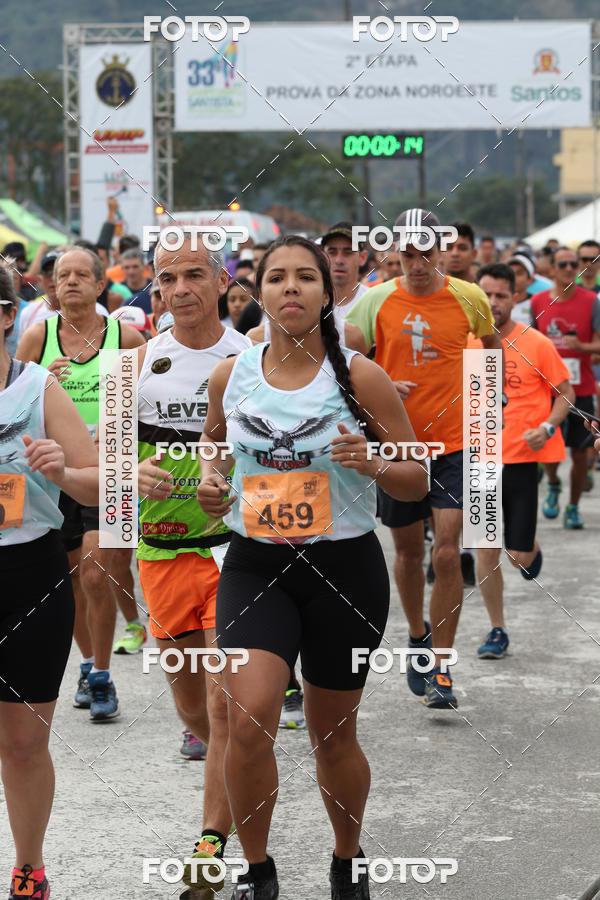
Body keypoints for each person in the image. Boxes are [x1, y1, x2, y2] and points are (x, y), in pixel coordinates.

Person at [196, 234, 427, 900]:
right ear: (257, 292)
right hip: (255, 563)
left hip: (344, 570)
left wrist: (374, 464)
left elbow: (416, 477)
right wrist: (212, 483)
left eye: (305, 277)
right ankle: (258, 869)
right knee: (248, 718)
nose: (290, 288)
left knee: (333, 735)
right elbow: (212, 447)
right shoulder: (231, 375)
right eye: (276, 278)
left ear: (327, 292)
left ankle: (347, 858)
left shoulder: (361, 377)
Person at [348, 208, 502, 709]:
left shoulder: (469, 296)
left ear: (442, 250)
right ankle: (417, 633)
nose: (416, 265)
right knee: (410, 554)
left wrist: (489, 394)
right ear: (395, 254)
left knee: (448, 549)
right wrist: (380, 385)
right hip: (399, 445)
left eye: (426, 254)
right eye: (407, 255)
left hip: (456, 442)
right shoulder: (375, 301)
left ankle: (441, 663)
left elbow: (492, 346)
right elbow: (348, 361)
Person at [136, 234, 251, 890]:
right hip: (163, 550)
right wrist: (132, 470)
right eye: (168, 278)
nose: (181, 289)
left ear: (222, 280)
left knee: (225, 708)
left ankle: (210, 845)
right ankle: (228, 770)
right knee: (193, 707)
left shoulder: (252, 358)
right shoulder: (140, 361)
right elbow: (102, 456)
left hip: (237, 552)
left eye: (194, 275)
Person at [0, 267, 99, 900]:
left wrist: (62, 471)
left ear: (7, 316)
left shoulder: (36, 389)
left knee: (24, 742)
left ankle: (29, 867)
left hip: (28, 573)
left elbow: (100, 483)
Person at [16, 247, 145, 720]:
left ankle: (103, 676)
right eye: (61, 275)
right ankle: (88, 663)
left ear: (99, 286)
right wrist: (40, 382)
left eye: (81, 275)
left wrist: (117, 423)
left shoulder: (127, 338)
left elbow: (147, 405)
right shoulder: (37, 336)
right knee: (69, 576)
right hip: (52, 474)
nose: (69, 281)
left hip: (112, 470)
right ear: (52, 287)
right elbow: (10, 394)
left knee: (98, 572)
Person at [473, 264, 574, 658]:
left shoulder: (535, 343)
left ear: (515, 298)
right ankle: (497, 629)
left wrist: (548, 428)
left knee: (517, 556)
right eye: (486, 295)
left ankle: (528, 544)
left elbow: (565, 393)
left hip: (521, 459)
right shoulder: (465, 342)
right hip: (479, 459)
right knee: (485, 548)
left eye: (501, 295)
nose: (493, 303)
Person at [531, 246, 600, 529]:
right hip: (549, 389)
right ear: (552, 269)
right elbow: (530, 343)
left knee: (581, 451)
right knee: (549, 447)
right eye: (564, 264)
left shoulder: (592, 301)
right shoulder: (537, 302)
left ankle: (572, 506)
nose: (570, 268)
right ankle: (554, 484)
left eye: (574, 264)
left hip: (581, 387)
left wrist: (582, 347)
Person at [121, 248, 152, 314]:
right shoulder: (117, 291)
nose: (131, 271)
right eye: (127, 267)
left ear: (144, 267)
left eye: (135, 267)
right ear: (122, 269)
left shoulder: (154, 288)